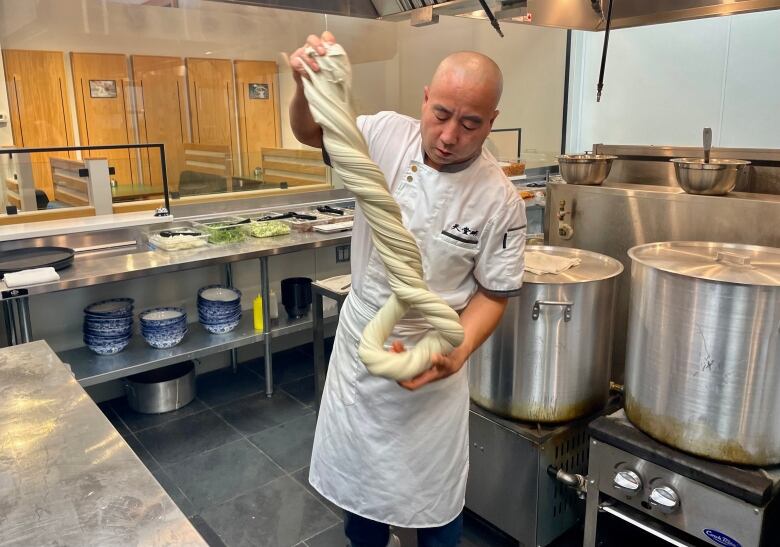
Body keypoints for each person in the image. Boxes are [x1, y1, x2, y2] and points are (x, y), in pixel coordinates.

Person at [289, 32, 526, 547]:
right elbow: (311, 131)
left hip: (433, 355)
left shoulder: (500, 199)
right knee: (362, 500)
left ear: (492, 120)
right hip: (364, 345)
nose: (449, 135)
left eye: (471, 124)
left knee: (435, 506)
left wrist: (453, 353)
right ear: (424, 97)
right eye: (440, 114)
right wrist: (305, 85)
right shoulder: (380, 136)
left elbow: (494, 293)